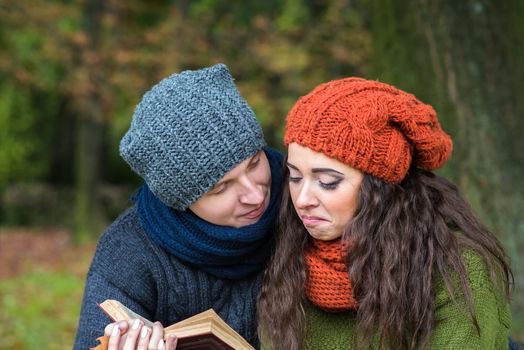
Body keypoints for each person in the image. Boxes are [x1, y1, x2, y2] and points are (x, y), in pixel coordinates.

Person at [257, 77, 514, 349]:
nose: (303, 199)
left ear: (378, 187)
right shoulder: (289, 259)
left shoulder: (457, 270)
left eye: (328, 182)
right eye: (295, 178)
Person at [72, 63, 283, 350]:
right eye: (222, 187)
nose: (255, 195)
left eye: (255, 163)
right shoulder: (128, 251)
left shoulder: (303, 204)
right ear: (180, 201)